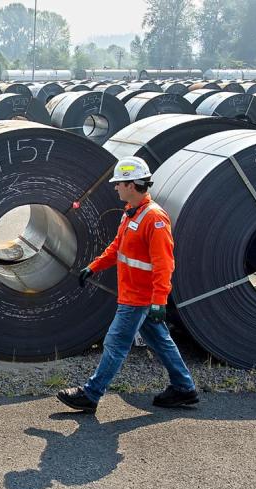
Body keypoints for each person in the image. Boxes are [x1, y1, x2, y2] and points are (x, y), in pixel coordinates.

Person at [57, 156, 198, 413]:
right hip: (134, 293)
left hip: (139, 298)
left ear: (132, 185)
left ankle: (91, 393)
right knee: (160, 341)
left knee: (115, 342)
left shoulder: (154, 219)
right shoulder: (132, 213)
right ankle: (184, 388)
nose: (115, 187)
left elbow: (164, 264)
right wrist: (94, 266)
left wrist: (158, 301)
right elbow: (118, 247)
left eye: (119, 183)